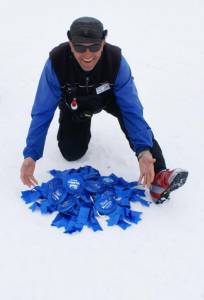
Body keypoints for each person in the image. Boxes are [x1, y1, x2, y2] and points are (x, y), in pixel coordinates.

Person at [20, 16, 188, 204]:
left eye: (94, 47)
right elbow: (42, 110)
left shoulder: (116, 61)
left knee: (131, 121)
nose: (87, 54)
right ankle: (81, 125)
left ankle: (160, 177)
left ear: (104, 41)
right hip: (74, 104)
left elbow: (132, 110)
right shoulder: (56, 63)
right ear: (70, 43)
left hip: (109, 97)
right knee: (72, 153)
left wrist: (144, 150)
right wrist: (31, 154)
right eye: (80, 47)